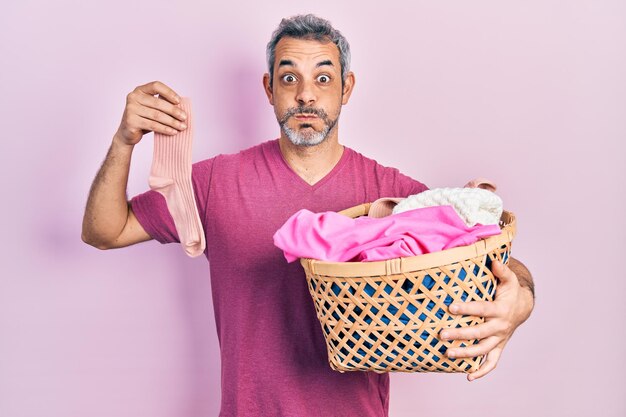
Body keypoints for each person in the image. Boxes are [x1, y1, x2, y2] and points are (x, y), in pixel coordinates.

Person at [81, 14, 535, 417]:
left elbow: (488, 254)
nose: (304, 96)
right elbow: (106, 230)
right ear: (269, 89)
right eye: (288, 78)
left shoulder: (391, 196)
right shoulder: (215, 182)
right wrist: (124, 140)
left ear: (346, 88)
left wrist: (520, 301)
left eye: (322, 78)